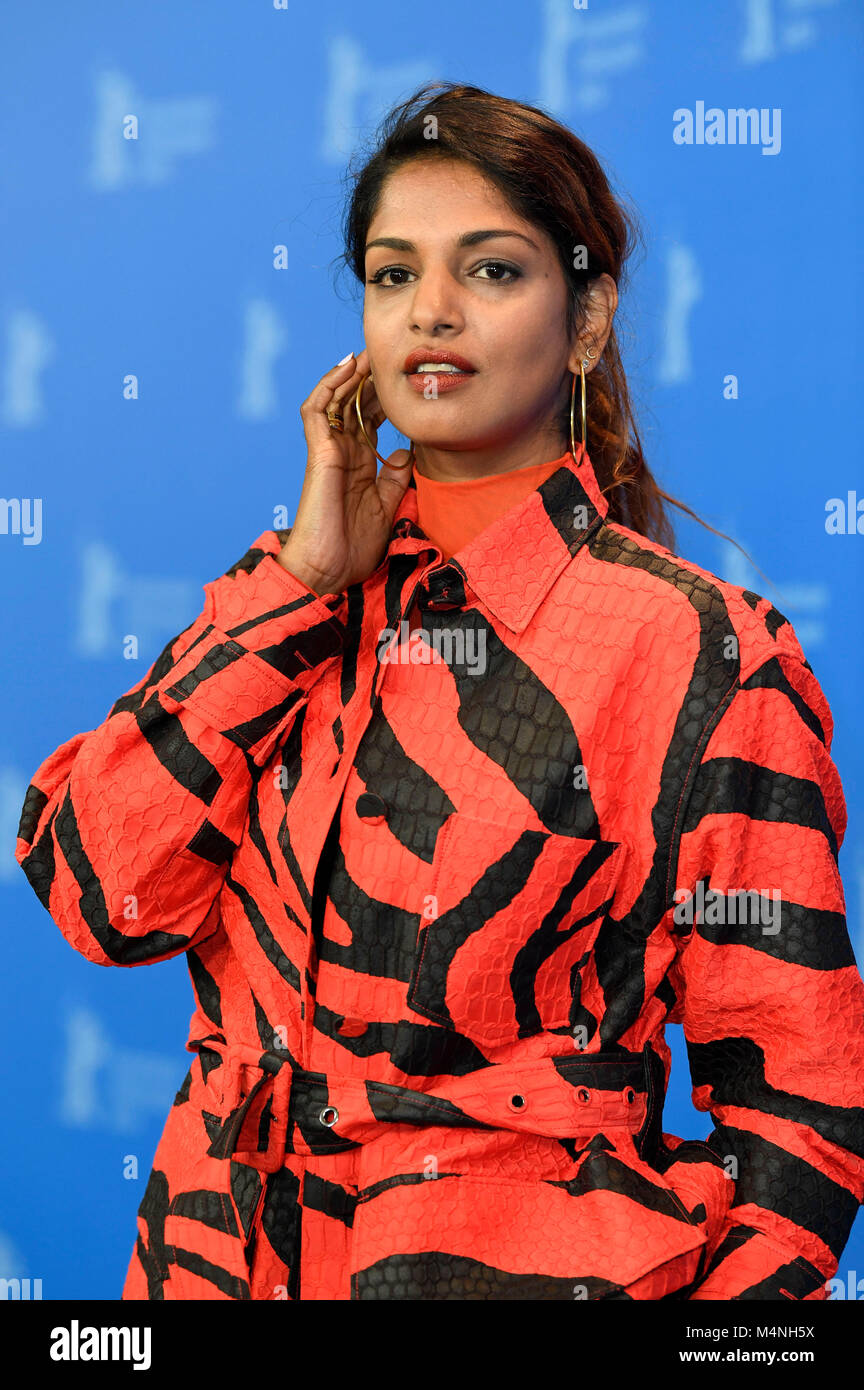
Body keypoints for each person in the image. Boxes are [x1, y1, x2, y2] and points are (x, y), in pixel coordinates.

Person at [16, 80, 864, 1302]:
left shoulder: (701, 655)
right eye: (393, 273)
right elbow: (101, 897)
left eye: (494, 270)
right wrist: (302, 582)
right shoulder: (293, 598)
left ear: (586, 319)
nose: (434, 312)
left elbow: (806, 1107)